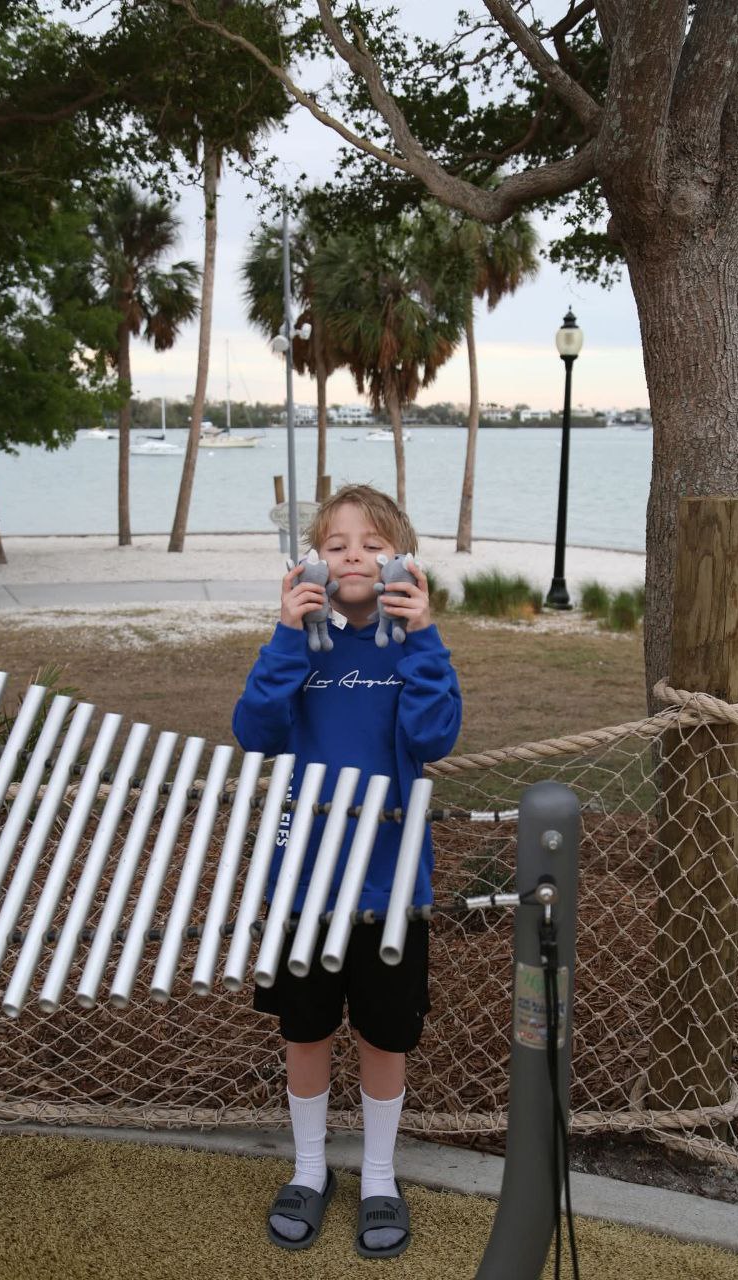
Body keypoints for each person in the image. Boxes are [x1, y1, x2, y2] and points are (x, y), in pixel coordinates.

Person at [232, 483, 462, 1259]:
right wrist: (286, 633)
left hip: (389, 891)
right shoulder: (299, 644)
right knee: (305, 1032)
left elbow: (435, 736)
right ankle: (306, 1168)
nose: (353, 555)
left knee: (382, 1037)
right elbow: (254, 730)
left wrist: (424, 634)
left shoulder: (410, 649)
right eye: (335, 544)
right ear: (311, 561)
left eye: (371, 543)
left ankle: (377, 1176)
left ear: (401, 558)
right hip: (304, 884)